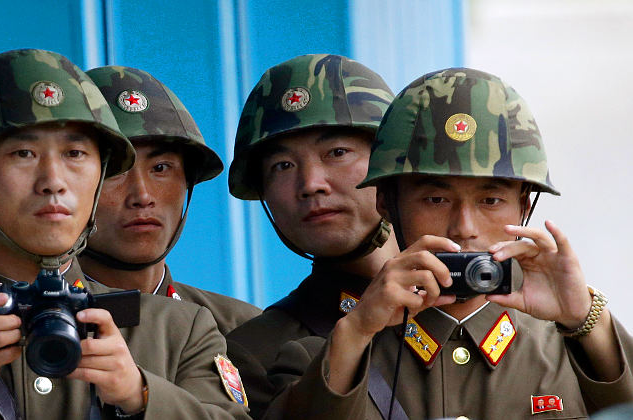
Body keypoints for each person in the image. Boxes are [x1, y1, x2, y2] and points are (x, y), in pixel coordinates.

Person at [0, 49, 250, 420]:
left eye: (75, 153)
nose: (53, 182)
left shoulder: (179, 330)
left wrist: (140, 394)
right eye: (23, 153)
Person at [264, 68, 633, 419]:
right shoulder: (327, 357)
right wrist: (358, 330)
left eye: (491, 200)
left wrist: (586, 319)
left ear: (524, 206)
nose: (464, 228)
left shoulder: (577, 351)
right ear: (385, 203)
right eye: (435, 200)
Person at [224, 53, 400, 418]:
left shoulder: (479, 309)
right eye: (283, 166)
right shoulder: (254, 352)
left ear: (390, 163)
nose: (311, 184)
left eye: (337, 152)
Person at [79, 66, 261, 336]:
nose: (142, 197)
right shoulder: (25, 325)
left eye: (161, 168)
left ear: (188, 181)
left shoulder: (242, 330)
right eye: (114, 172)